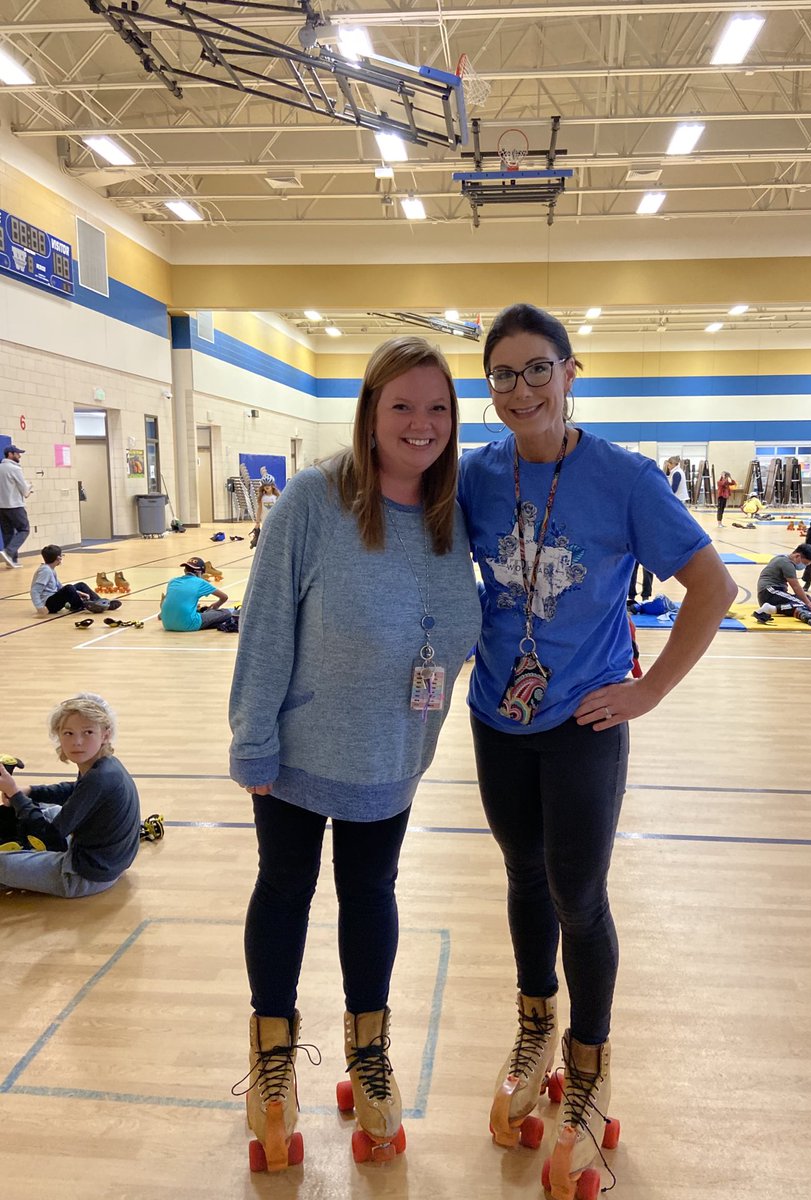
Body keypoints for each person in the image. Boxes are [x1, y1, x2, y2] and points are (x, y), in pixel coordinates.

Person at [457, 304, 736, 1198]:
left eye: (538, 369)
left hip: (585, 723)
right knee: (522, 878)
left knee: (579, 892)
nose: (521, 389)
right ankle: (535, 1023)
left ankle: (588, 1060)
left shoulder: (623, 478)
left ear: (572, 373)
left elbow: (714, 586)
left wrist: (649, 690)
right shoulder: (475, 476)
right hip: (497, 719)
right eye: (503, 374)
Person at [228, 336, 481, 1173]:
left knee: (371, 892)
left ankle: (367, 1052)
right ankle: (272, 1060)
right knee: (287, 891)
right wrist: (253, 738)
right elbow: (264, 627)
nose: (421, 423)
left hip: (392, 756)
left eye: (438, 407)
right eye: (402, 405)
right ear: (371, 411)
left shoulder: (453, 513)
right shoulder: (311, 501)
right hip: (296, 754)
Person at [0, 693, 139, 898]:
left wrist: (15, 794)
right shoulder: (104, 765)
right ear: (59, 735)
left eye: (88, 732)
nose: (77, 742)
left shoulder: (98, 778)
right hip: (110, 862)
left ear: (106, 735)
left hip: (83, 876)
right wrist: (28, 791)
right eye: (68, 733)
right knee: (49, 809)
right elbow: (75, 790)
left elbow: (51, 837)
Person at [30, 544, 122, 617]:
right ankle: (85, 605)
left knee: (81, 585)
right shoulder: (45, 571)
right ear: (59, 558)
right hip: (49, 604)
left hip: (53, 597)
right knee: (69, 588)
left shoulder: (50, 569)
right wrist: (40, 608)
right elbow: (35, 591)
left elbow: (59, 587)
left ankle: (102, 603)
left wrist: (78, 592)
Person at [159, 556, 234, 630]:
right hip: (188, 625)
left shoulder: (173, 581)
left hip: (167, 625)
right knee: (225, 613)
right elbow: (224, 597)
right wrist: (215, 606)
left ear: (185, 570)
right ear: (200, 573)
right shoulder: (200, 582)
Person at [751, 544, 811, 623]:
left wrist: (810, 602)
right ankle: (770, 609)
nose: (803, 566)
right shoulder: (787, 564)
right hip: (770, 592)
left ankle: (809, 610)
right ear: (797, 556)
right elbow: (796, 587)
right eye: (804, 563)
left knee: (806, 598)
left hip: (771, 593)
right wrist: (808, 603)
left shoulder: (781, 558)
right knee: (802, 603)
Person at [0, 444, 32, 568]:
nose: (19, 456)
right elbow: (24, 490)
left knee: (8, 533)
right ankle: (8, 552)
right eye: (17, 453)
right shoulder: (15, 469)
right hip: (15, 505)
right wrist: (29, 488)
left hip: (1, 507)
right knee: (24, 529)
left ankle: (11, 560)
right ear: (10, 454)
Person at [251, 479, 281, 549]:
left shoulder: (276, 497)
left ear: (272, 486)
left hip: (274, 521)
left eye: (268, 485)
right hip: (265, 521)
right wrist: (257, 522)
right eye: (265, 485)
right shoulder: (262, 497)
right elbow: (259, 509)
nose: (267, 487)